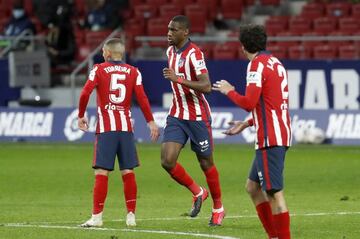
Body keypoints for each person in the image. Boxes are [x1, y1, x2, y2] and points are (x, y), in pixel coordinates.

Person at [212, 24, 292, 238]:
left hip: (270, 137)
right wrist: (247, 123)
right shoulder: (276, 63)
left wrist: (229, 91)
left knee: (274, 194)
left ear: (243, 46)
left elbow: (249, 102)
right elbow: (269, 104)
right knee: (252, 187)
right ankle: (273, 235)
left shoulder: (256, 65)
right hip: (277, 132)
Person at [78, 38, 159, 227]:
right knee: (127, 171)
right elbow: (142, 98)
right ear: (121, 53)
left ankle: (97, 217)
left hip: (106, 128)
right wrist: (151, 121)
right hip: (125, 128)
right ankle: (131, 215)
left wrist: (81, 115)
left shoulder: (98, 69)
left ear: (106, 53)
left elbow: (84, 93)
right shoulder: (133, 71)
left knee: (101, 172)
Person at [161, 15, 225, 226]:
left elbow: (206, 86)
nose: (169, 33)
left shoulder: (195, 54)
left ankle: (218, 208)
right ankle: (198, 192)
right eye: (168, 29)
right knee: (167, 161)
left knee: (206, 162)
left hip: (197, 116)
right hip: (177, 114)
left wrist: (178, 79)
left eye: (174, 29)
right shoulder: (170, 51)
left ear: (185, 32)